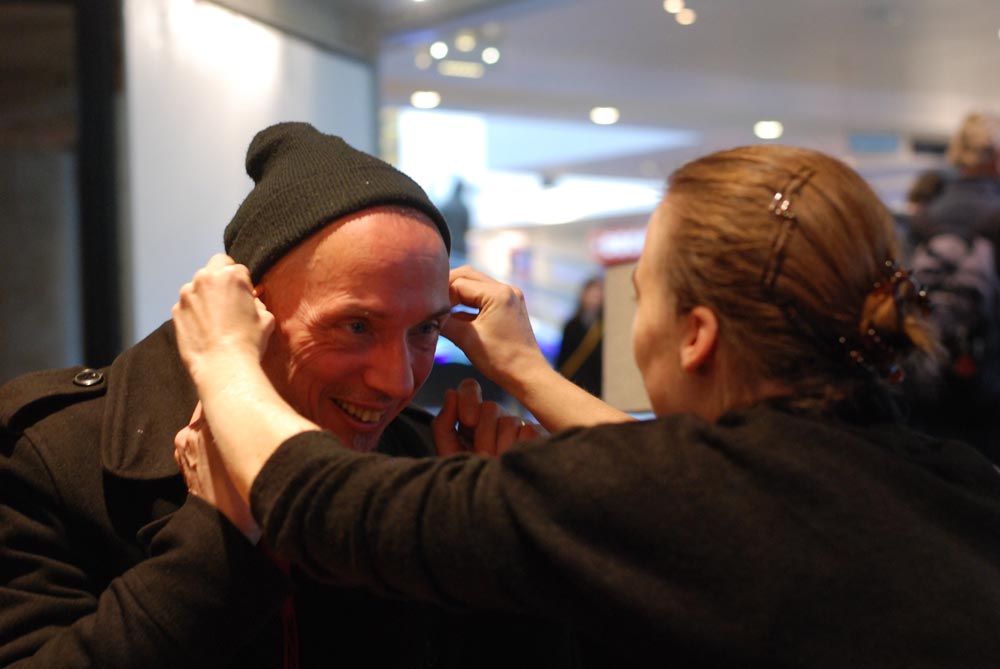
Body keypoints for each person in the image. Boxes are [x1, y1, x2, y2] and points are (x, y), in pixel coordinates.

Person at [173, 144, 1000, 666]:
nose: (393, 380)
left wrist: (224, 361)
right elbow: (709, 490)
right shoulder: (956, 479)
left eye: (642, 295)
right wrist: (528, 371)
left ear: (696, 335)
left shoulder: (674, 491)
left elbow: (328, 506)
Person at [0, 121, 568, 667]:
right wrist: (217, 537)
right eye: (356, 327)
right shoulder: (51, 454)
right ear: (250, 309)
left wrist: (496, 547)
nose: (398, 381)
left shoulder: (424, 461)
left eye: (425, 329)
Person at [555, 276, 604, 397]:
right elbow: (563, 357)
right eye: (592, 296)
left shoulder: (603, 328)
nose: (595, 301)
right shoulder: (572, 325)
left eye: (598, 297)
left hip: (595, 389)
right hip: (572, 383)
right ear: (583, 296)